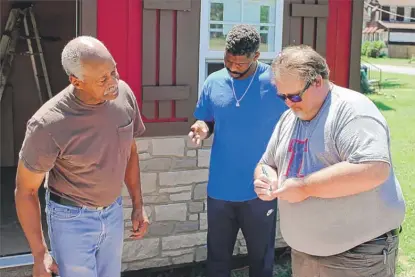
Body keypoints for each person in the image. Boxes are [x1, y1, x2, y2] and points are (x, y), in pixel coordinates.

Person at [254, 45, 406, 277]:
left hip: (357, 257)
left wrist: (305, 187)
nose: (288, 103)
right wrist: (266, 179)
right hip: (305, 254)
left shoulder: (352, 110)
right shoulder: (290, 117)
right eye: (282, 96)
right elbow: (266, 163)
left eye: (294, 95)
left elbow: (374, 169)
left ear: (317, 81)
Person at [15, 36, 149, 277]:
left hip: (113, 212)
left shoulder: (124, 95)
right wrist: (39, 254)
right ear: (76, 81)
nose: (114, 82)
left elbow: (129, 150)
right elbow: (26, 191)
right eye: (103, 79)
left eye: (114, 70)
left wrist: (138, 205)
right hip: (71, 220)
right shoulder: (48, 124)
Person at [188, 24, 287, 277]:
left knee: (261, 262)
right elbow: (207, 120)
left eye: (240, 64)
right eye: (228, 60)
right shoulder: (213, 81)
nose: (232, 67)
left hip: (261, 190)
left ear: (256, 56)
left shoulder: (277, 84)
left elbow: (295, 123)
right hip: (220, 189)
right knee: (217, 261)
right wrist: (201, 128)